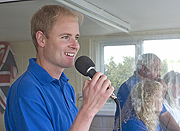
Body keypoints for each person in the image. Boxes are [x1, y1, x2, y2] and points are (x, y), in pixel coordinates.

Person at [4, 5, 114, 131]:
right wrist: (88, 110)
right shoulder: (26, 90)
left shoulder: (67, 88)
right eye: (65, 37)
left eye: (76, 37)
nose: (75, 45)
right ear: (41, 39)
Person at [114, 53, 180, 131]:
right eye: (156, 70)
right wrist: (162, 92)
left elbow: (163, 114)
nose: (159, 74)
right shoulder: (132, 88)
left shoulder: (147, 86)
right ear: (144, 69)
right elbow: (157, 112)